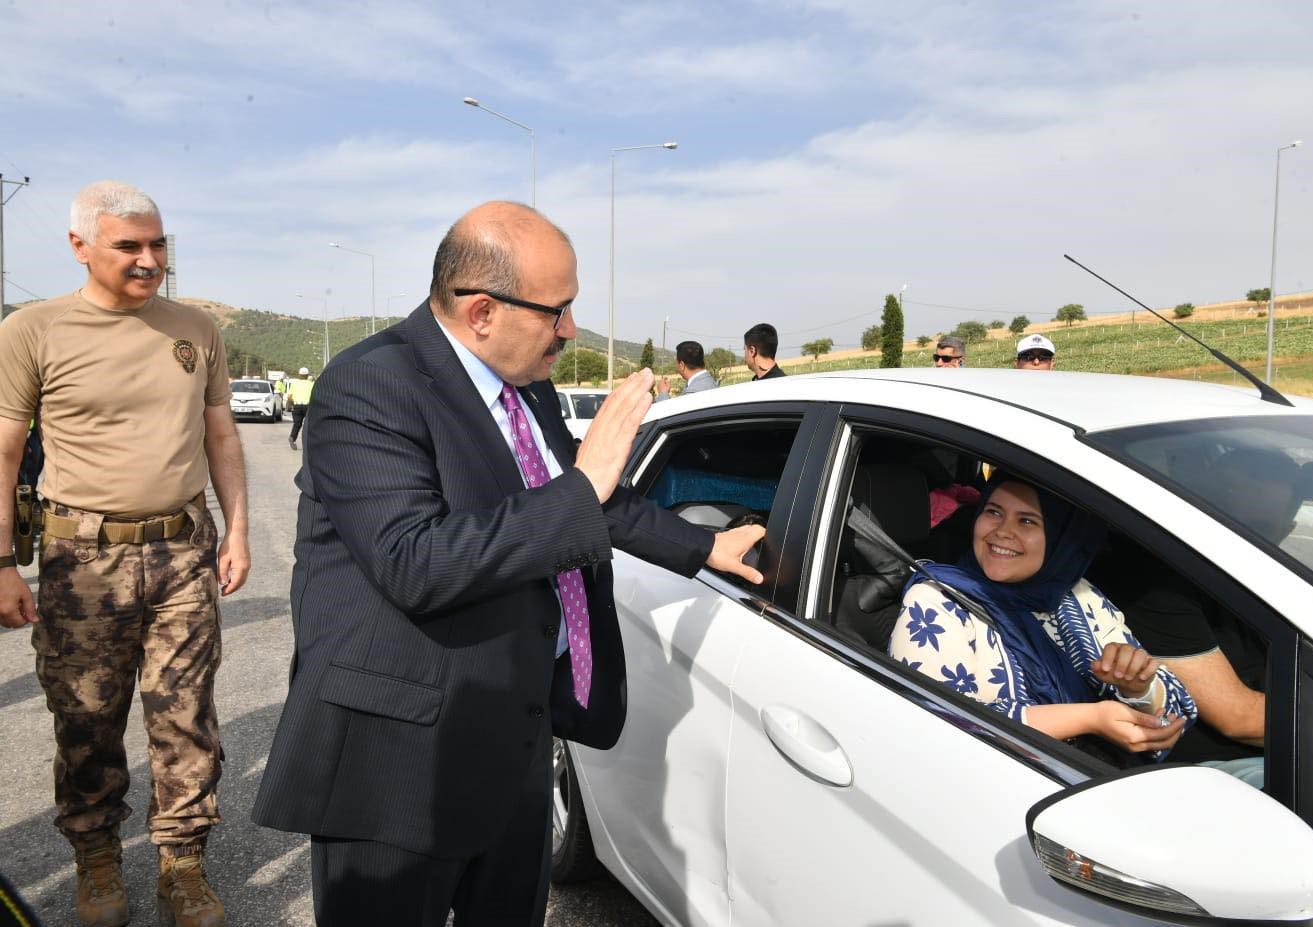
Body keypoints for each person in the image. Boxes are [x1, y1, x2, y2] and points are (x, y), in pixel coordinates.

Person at [252, 201, 765, 926]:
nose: (571, 330)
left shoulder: (528, 382)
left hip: (513, 738)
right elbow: (414, 560)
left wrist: (702, 544)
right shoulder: (369, 386)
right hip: (398, 766)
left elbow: (582, 499)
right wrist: (585, 483)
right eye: (557, 311)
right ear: (483, 311)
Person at [0, 180, 249, 927]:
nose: (150, 260)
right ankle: (97, 863)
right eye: (130, 246)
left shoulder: (195, 328)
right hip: (82, 562)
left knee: (185, 717)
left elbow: (221, 436)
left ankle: (182, 863)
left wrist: (237, 530)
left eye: (158, 244)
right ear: (80, 247)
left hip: (182, 549)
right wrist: (3, 562)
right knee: (86, 718)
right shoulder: (32, 330)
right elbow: (7, 449)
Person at [888, 475, 1195, 757]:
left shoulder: (1075, 594)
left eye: (1027, 521)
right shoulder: (936, 600)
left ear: (1063, 537)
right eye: (993, 512)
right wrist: (1090, 719)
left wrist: (1136, 688)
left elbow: (1173, 710)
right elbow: (936, 722)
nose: (1003, 531)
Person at [1102, 448, 1301, 785]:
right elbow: (1236, 716)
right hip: (1213, 776)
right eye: (1228, 522)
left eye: (1259, 528)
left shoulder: (1279, 583)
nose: (1239, 538)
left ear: (1287, 530)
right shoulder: (1155, 582)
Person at [286, 367, 314, 450]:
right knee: (308, 424)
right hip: (308, 407)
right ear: (307, 375)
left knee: (297, 424)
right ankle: (308, 442)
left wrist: (291, 404)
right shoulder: (311, 384)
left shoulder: (294, 383)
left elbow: (289, 396)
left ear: (299, 375)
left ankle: (292, 437)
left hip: (297, 407)